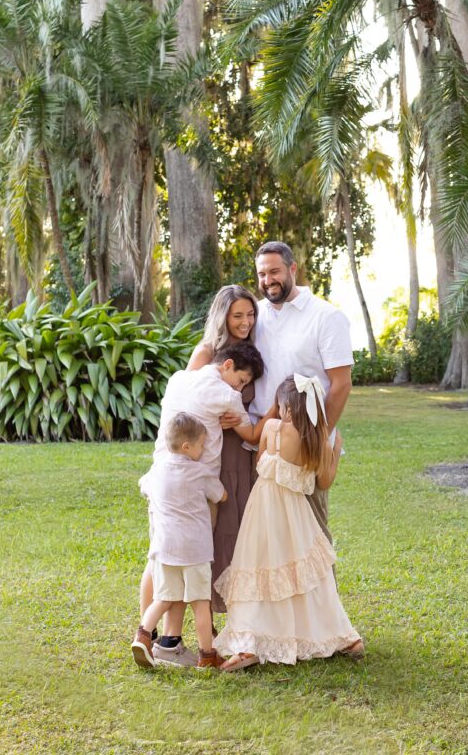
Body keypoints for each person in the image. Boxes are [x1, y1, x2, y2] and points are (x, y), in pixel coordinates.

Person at [213, 375, 363, 670]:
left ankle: (250, 642)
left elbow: (259, 465)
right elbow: (325, 480)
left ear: (285, 407)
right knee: (305, 574)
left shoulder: (271, 428)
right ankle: (342, 635)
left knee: (260, 567)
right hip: (297, 515)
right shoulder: (317, 438)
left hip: (264, 510)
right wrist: (334, 454)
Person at [137, 341, 266, 667]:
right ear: (227, 366)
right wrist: (277, 409)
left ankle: (161, 639)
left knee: (163, 559)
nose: (240, 388)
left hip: (161, 483)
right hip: (198, 491)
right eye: (240, 380)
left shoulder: (179, 378)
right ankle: (180, 647)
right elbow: (250, 434)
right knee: (190, 567)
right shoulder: (225, 395)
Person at [247, 241, 353, 544]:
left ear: (293, 269)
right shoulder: (257, 316)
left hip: (306, 447)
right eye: (262, 274)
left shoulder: (326, 317)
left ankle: (324, 594)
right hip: (264, 446)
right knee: (269, 542)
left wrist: (316, 438)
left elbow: (342, 384)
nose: (268, 280)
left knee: (312, 538)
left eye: (275, 272)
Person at [186, 285, 261, 614]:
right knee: (216, 531)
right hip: (212, 454)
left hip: (244, 452)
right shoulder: (206, 353)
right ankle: (212, 613)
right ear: (223, 316)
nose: (246, 322)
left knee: (244, 527)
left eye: (250, 314)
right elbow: (184, 406)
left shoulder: (254, 351)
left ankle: (245, 612)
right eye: (237, 315)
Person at [132, 414, 227, 670]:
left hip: (165, 549)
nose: (203, 449)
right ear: (187, 447)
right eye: (201, 445)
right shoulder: (200, 472)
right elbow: (221, 495)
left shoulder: (157, 470)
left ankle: (142, 636)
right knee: (200, 605)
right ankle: (207, 655)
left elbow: (143, 486)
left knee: (162, 599)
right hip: (195, 551)